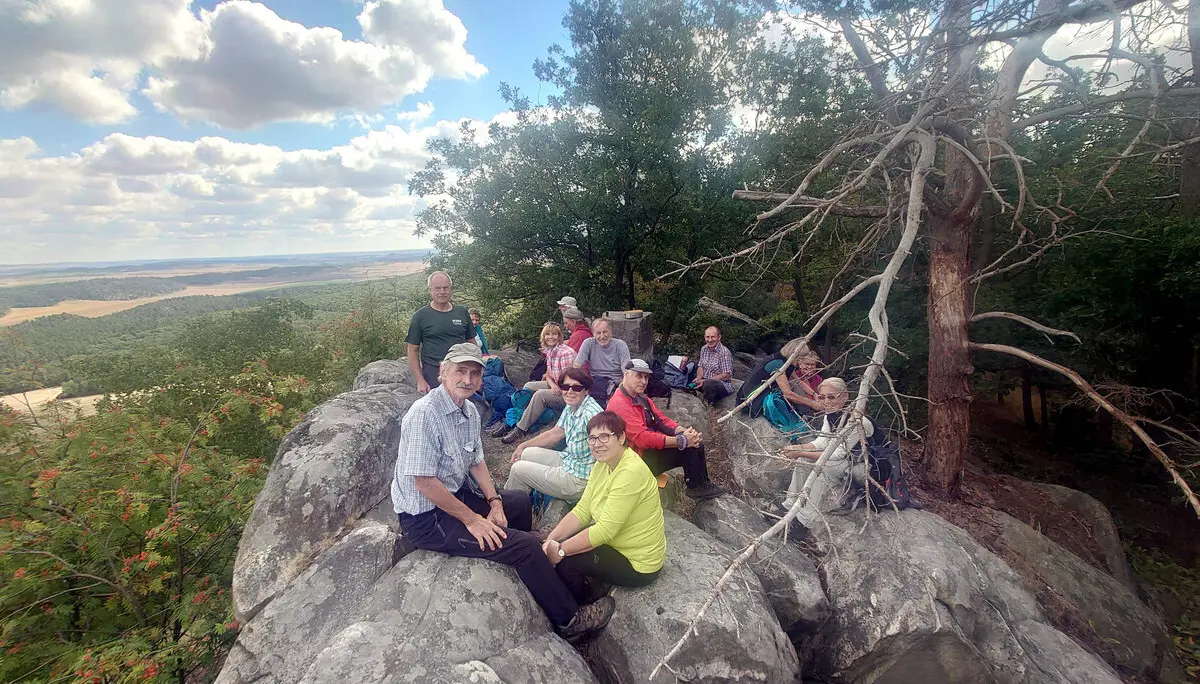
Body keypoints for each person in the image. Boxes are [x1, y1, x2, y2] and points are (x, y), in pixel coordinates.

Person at [391, 343, 615, 643]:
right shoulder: (423, 415)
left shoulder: (468, 410)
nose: (468, 380)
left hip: (455, 495)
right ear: (443, 372)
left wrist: (495, 502)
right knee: (524, 545)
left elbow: (477, 461)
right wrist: (473, 520)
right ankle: (570, 621)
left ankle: (528, 569)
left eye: (474, 373)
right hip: (427, 518)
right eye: (460, 371)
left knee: (519, 502)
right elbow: (424, 483)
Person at [542, 411, 665, 604]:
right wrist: (551, 539)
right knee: (566, 542)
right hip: (618, 544)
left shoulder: (630, 471)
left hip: (638, 562)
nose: (597, 444)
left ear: (622, 437)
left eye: (605, 436)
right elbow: (583, 510)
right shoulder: (602, 465)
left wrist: (560, 551)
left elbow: (605, 531)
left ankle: (578, 611)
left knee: (567, 562)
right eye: (592, 438)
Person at [606, 359, 726, 500]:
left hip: (644, 452)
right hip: (634, 460)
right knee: (688, 448)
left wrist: (683, 432)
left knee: (696, 442)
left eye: (646, 377)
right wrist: (681, 441)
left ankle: (703, 483)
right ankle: (695, 488)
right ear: (626, 374)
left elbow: (661, 421)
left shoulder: (640, 397)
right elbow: (642, 438)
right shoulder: (620, 403)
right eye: (639, 376)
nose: (644, 381)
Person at [778, 377, 874, 526]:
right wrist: (797, 449)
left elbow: (837, 454)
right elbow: (823, 441)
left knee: (825, 467)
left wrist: (800, 452)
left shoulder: (858, 421)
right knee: (804, 460)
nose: (826, 401)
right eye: (822, 397)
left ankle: (803, 521)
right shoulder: (830, 415)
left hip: (865, 467)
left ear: (845, 397)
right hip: (848, 460)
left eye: (831, 397)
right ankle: (790, 505)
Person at [503, 368, 603, 502]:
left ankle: (507, 510)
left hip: (579, 480)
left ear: (586, 390)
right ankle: (523, 502)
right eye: (565, 386)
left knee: (517, 469)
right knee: (525, 453)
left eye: (577, 388)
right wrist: (522, 445)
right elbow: (555, 433)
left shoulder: (592, 415)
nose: (570, 391)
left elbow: (606, 453)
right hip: (569, 460)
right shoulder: (573, 406)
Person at [498, 322, 577, 444]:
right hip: (557, 385)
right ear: (543, 337)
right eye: (548, 334)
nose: (551, 337)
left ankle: (521, 429)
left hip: (569, 391)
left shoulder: (566, 353)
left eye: (554, 334)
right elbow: (549, 375)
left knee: (540, 395)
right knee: (529, 386)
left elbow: (570, 382)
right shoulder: (550, 351)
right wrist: (553, 385)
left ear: (559, 336)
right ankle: (513, 420)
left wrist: (556, 387)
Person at [405, 271, 475, 393]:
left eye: (445, 288)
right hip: (434, 372)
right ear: (430, 290)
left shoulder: (462, 312)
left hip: (461, 369)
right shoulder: (420, 316)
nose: (442, 292)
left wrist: (476, 369)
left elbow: (471, 342)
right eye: (437, 288)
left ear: (450, 289)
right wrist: (420, 380)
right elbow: (412, 350)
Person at [735, 338, 822, 416]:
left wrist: (814, 394)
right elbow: (788, 394)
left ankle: (806, 413)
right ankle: (806, 414)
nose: (801, 360)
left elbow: (798, 381)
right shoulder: (777, 364)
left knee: (794, 386)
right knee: (791, 394)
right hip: (751, 400)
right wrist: (812, 403)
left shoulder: (785, 360)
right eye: (800, 357)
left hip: (757, 394)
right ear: (794, 354)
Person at [574, 318, 630, 404]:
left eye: (605, 332)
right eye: (598, 333)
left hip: (615, 381)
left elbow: (627, 371)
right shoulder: (588, 343)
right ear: (593, 334)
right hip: (595, 380)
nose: (602, 336)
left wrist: (621, 389)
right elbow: (577, 365)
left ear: (611, 331)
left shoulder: (620, 345)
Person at [692, 326, 734, 404]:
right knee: (690, 376)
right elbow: (701, 366)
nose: (710, 340)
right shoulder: (704, 349)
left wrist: (705, 380)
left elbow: (726, 375)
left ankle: (710, 404)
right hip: (704, 380)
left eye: (713, 337)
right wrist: (698, 378)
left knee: (708, 384)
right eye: (707, 337)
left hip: (721, 384)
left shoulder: (724, 352)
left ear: (719, 337)